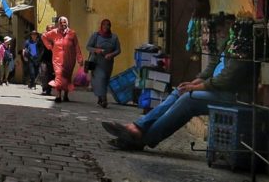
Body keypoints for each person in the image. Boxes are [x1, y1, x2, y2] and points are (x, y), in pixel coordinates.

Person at [101, 40, 254, 150]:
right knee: (180, 91)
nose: (218, 34)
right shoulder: (226, 42)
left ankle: (140, 137)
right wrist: (191, 84)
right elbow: (210, 69)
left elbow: (226, 79)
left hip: (230, 96)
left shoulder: (241, 45)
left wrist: (195, 88)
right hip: (215, 91)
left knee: (189, 99)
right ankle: (138, 128)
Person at [41, 16, 83, 103]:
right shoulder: (54, 32)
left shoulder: (72, 33)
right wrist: (49, 46)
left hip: (70, 59)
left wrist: (79, 58)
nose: (63, 24)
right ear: (58, 24)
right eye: (61, 23)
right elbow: (43, 36)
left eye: (64, 23)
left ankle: (66, 95)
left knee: (67, 77)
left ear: (67, 23)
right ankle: (58, 95)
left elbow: (76, 46)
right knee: (59, 76)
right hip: (57, 59)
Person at [86, 19, 121, 108]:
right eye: (104, 25)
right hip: (96, 62)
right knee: (100, 79)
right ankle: (104, 99)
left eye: (108, 25)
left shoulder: (114, 37)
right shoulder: (96, 35)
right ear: (101, 26)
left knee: (104, 81)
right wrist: (96, 50)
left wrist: (111, 54)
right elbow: (88, 47)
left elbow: (118, 50)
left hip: (108, 63)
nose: (106, 26)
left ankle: (100, 98)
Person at [39, 24, 54, 96]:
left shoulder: (55, 38)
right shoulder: (43, 37)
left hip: (52, 59)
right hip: (44, 58)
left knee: (50, 75)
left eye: (51, 29)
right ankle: (44, 88)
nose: (50, 31)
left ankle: (49, 90)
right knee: (44, 73)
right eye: (48, 29)